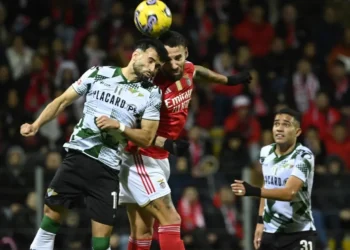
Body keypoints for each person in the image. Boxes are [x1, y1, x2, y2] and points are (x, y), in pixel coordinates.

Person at [20, 38, 169, 250]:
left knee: (101, 241)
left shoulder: (152, 94)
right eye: (151, 61)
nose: (153, 69)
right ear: (136, 54)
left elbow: (146, 137)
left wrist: (119, 126)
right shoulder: (98, 73)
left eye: (157, 66)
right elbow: (62, 100)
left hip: (107, 169)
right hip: (77, 157)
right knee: (49, 219)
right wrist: (36, 125)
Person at [118, 31, 252, 250]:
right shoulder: (150, 86)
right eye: (167, 59)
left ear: (186, 54)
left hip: (159, 157)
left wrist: (228, 80)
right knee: (171, 218)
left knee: (142, 230)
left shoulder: (187, 68)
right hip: (140, 156)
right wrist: (166, 142)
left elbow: (198, 71)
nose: (173, 64)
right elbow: (134, 129)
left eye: (178, 58)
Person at [231, 108, 317, 250]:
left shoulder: (304, 156)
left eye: (286, 125)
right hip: (270, 233)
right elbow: (267, 187)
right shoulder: (266, 152)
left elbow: (289, 193)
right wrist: (260, 222)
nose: (279, 129)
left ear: (297, 132)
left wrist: (253, 190)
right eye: (276, 124)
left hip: (299, 233)